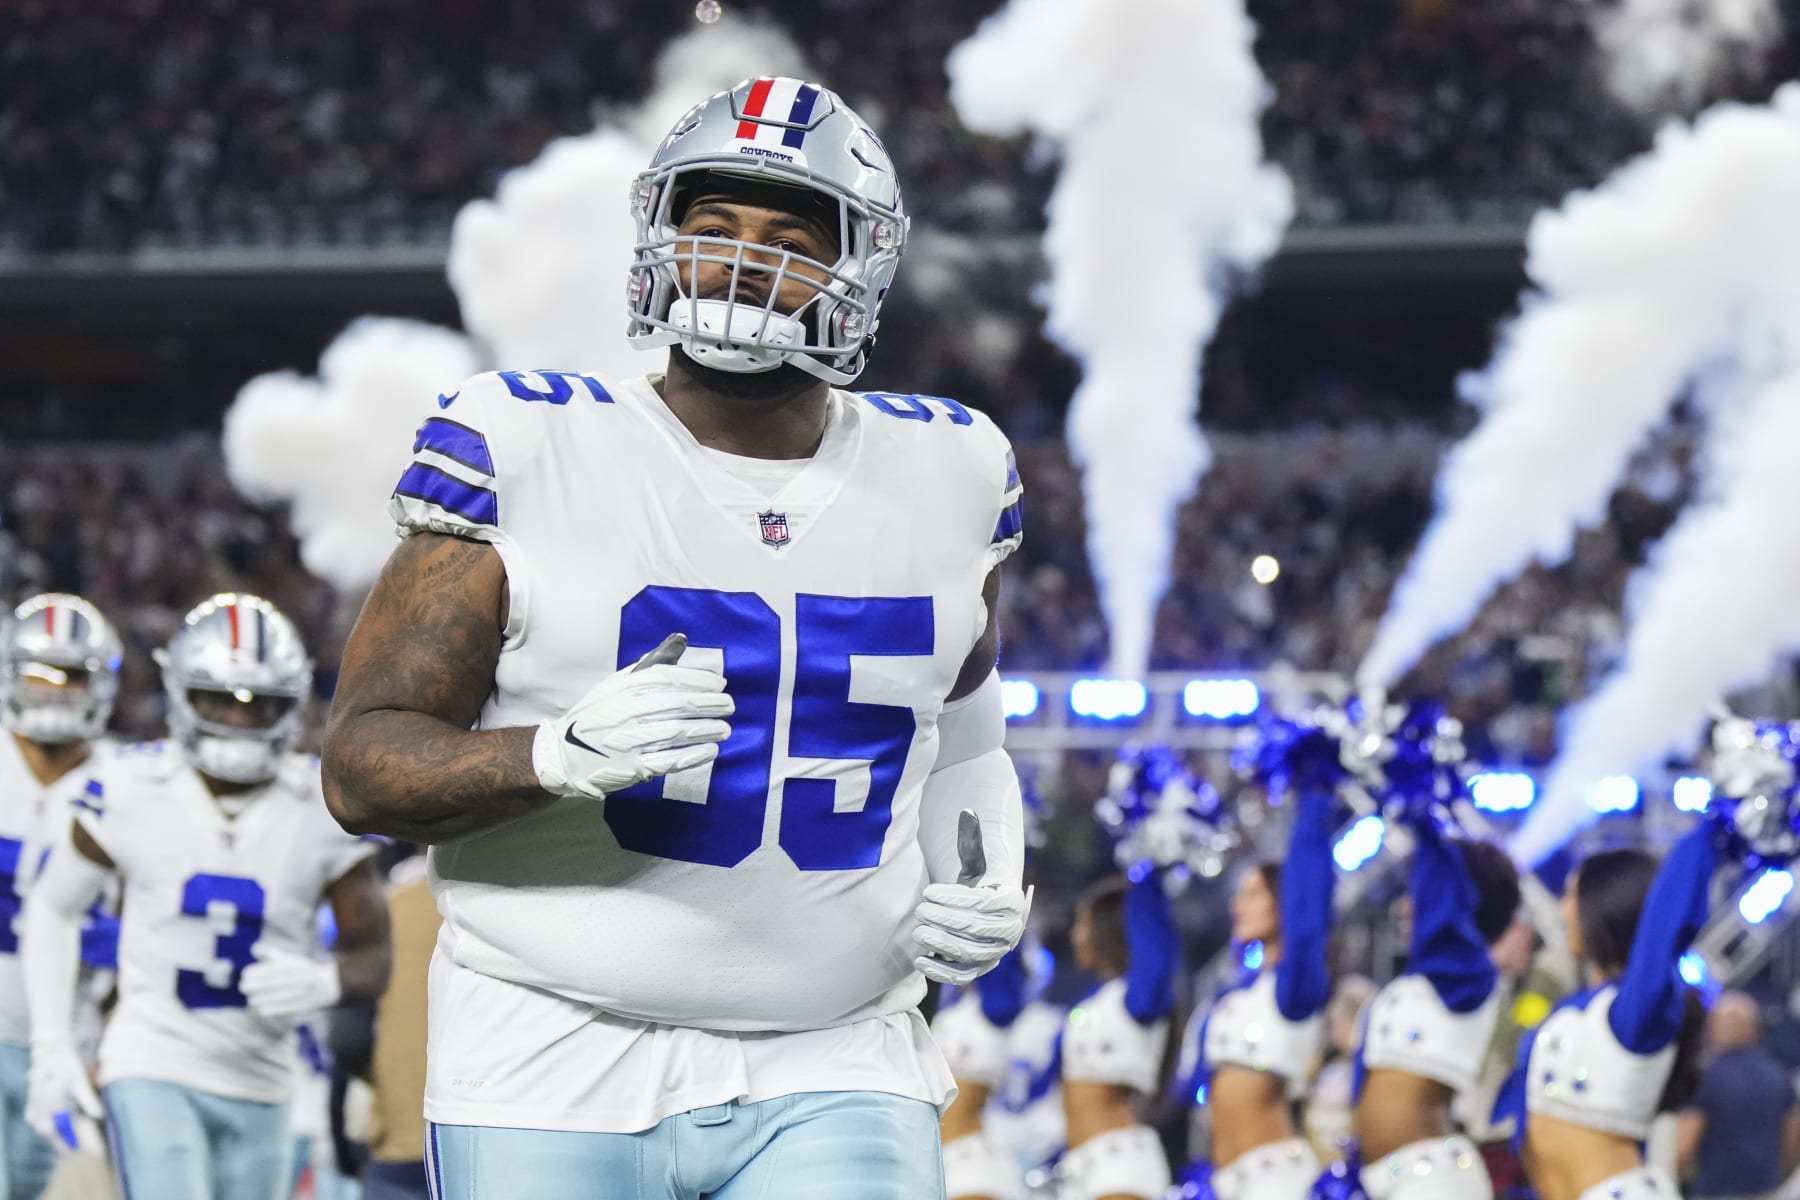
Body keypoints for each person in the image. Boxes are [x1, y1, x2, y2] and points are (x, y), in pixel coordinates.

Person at [321, 76, 1029, 1198]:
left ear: (860, 271)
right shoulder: (527, 441)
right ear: (661, 236)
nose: (742, 263)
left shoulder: (953, 468)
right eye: (715, 227)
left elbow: (967, 740)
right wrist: (551, 757)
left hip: (843, 1048)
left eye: (789, 241)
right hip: (551, 1043)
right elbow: (360, 766)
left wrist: (986, 870)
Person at [23, 593, 392, 1200]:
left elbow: (373, 954)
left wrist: (329, 981)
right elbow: (54, 906)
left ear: (292, 702)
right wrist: (52, 1046)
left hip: (266, 1079)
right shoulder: (129, 787)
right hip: (152, 1061)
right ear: (180, 694)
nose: (239, 718)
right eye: (220, 699)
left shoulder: (322, 808)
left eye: (259, 703)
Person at [1493, 829, 1712, 1200]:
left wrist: (1708, 834)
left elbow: (1665, 924)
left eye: (1571, 895)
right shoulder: (1581, 1005)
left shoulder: (1635, 1013)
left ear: (1605, 904)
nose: (1563, 910)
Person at [0, 594, 121, 1200]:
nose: (53, 691)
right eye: (40, 673)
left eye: (70, 676)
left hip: (75, 1043)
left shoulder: (129, 782)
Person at [1352, 816, 1521, 1200]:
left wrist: (1425, 821)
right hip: (1391, 1181)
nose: (1405, 908)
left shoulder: (1468, 978)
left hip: (1434, 1186)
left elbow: (1444, 911)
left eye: (1420, 894)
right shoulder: (1423, 985)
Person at [1182, 789, 1334, 1200]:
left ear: (1283, 904)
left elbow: (1308, 922)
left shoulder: (1295, 988)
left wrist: (1312, 803)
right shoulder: (1234, 991)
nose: (1237, 907)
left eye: (1253, 895)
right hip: (1222, 1180)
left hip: (1275, 1183)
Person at [1057, 871, 1178, 1200]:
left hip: (1121, 1167)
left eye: (1083, 923)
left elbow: (1155, 955)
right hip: (1078, 1168)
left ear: (1107, 929)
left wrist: (1145, 873)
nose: (1075, 935)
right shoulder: (1094, 1000)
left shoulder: (1139, 999)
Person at [1677, 990, 1800, 1199]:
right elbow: (1792, 1141)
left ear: (1714, 1027)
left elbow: (1684, 1146)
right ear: (1756, 1029)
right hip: (1767, 1191)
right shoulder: (1779, 1076)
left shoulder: (1708, 1078)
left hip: (1716, 1191)